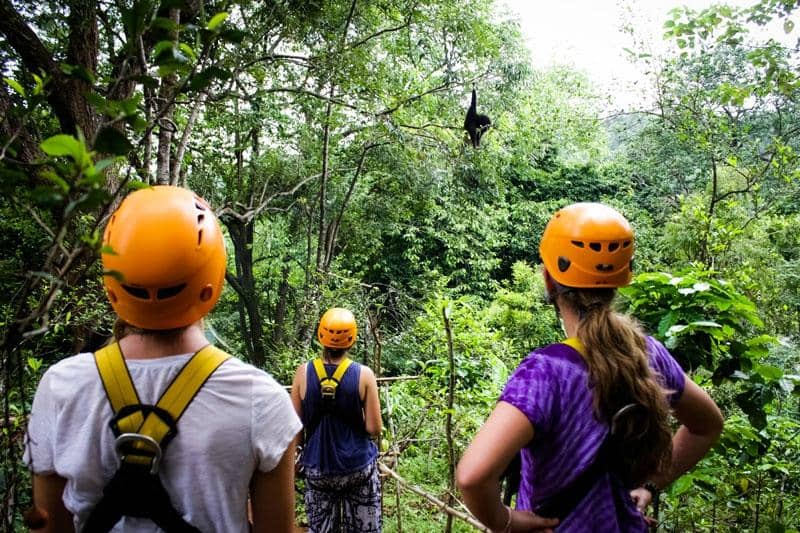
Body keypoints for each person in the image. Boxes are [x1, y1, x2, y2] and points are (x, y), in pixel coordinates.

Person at [24, 185, 302, 533]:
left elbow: (49, 525)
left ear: (112, 282)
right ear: (212, 281)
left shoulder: (61, 387)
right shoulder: (260, 399)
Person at [456, 202, 724, 533]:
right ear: (621, 278)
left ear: (549, 281)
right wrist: (650, 486)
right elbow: (707, 425)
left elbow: (472, 477)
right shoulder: (648, 353)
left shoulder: (546, 372)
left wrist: (506, 521)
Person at [291, 307, 383, 533]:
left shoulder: (303, 373)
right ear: (352, 339)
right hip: (357, 467)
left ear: (321, 336)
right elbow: (374, 427)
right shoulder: (364, 375)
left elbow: (294, 427)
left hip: (318, 467)